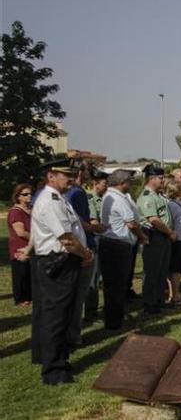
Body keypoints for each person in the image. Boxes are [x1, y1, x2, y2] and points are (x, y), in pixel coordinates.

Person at [30, 160, 94, 384]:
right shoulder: (50, 202)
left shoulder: (59, 198)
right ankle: (53, 369)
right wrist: (85, 254)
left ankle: (56, 358)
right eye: (66, 175)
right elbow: (66, 238)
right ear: (51, 176)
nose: (71, 179)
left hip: (64, 261)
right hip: (58, 262)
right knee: (55, 316)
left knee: (61, 313)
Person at [99, 170, 146, 330]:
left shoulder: (110, 196)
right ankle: (114, 322)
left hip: (112, 243)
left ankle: (114, 319)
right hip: (117, 245)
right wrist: (142, 236)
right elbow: (131, 223)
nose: (131, 185)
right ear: (122, 183)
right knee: (117, 285)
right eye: (129, 182)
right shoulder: (118, 199)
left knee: (113, 285)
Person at [65, 163, 105, 346]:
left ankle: (73, 331)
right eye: (89, 171)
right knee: (83, 290)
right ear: (82, 172)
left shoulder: (71, 192)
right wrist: (96, 228)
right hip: (82, 245)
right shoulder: (77, 193)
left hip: (78, 244)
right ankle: (74, 334)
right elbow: (79, 221)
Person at [138, 164, 176, 314]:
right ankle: (149, 303)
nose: (162, 180)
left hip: (163, 236)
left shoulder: (157, 196)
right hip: (154, 236)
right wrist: (169, 232)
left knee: (161, 271)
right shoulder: (146, 196)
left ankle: (159, 300)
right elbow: (153, 219)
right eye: (160, 178)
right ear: (151, 178)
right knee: (152, 271)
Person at [84, 169, 110, 322]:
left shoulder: (103, 199)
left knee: (101, 275)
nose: (106, 186)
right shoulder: (90, 199)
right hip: (96, 239)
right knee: (93, 278)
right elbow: (93, 222)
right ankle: (90, 311)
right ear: (96, 183)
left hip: (104, 239)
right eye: (104, 184)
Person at [8, 184, 34, 306]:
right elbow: (21, 232)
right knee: (21, 273)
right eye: (25, 194)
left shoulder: (30, 209)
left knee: (29, 272)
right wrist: (36, 239)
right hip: (20, 246)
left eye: (30, 193)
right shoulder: (16, 212)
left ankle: (29, 296)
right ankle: (20, 298)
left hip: (30, 247)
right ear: (18, 196)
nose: (29, 196)